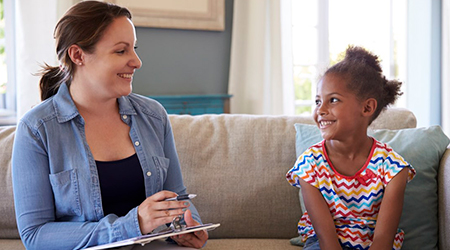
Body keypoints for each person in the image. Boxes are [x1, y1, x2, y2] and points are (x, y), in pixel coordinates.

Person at [11, 1, 208, 249]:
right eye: (121, 51)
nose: (137, 62)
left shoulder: (153, 116)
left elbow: (176, 198)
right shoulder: (37, 129)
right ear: (78, 55)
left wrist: (187, 226)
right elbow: (35, 236)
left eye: (134, 49)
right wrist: (131, 224)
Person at [286, 46, 416, 250]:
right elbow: (326, 238)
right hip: (324, 243)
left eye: (333, 100)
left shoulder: (393, 168)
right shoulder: (309, 165)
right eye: (318, 101)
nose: (320, 109)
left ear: (367, 108)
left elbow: (383, 241)